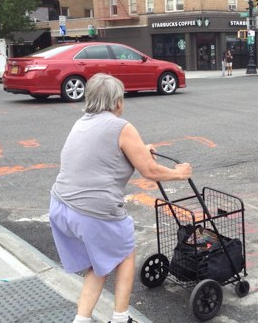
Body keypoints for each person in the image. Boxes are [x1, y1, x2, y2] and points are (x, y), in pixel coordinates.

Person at [49, 73, 192, 323]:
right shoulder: (121, 126)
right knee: (124, 252)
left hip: (61, 205)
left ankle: (81, 320)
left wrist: (141, 150)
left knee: (99, 261)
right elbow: (150, 171)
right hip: (92, 212)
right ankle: (120, 318)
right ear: (117, 102)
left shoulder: (82, 122)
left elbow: (107, 152)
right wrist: (180, 174)